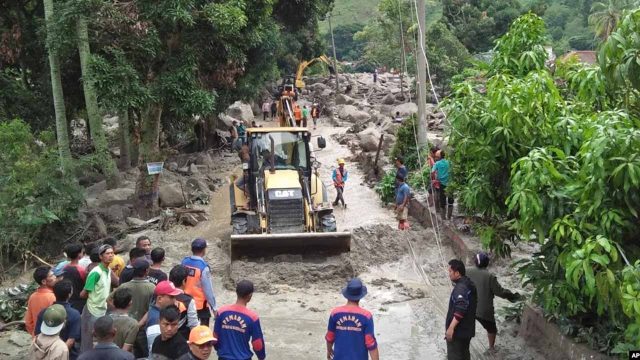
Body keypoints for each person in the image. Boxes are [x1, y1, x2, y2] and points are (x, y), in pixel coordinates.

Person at [466, 252, 521, 352]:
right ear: (487, 264)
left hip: (467, 307)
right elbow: (500, 292)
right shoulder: (490, 276)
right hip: (483, 310)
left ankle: (463, 347)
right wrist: (513, 297)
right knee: (491, 329)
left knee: (465, 327)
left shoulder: (467, 271)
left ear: (475, 262)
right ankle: (491, 348)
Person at [325, 278, 379, 360]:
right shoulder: (366, 316)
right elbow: (370, 342)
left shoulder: (335, 313)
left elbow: (330, 336)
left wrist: (329, 350)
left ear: (347, 294)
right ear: (361, 296)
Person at [213, 280, 265, 360]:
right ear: (250, 296)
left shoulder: (222, 312)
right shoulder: (252, 317)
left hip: (224, 357)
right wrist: (261, 357)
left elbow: (215, 336)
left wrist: (220, 349)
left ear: (236, 292)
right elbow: (257, 343)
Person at [80, 244, 114, 353]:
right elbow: (84, 293)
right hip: (92, 310)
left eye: (112, 253)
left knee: (99, 338)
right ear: (100, 256)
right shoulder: (96, 272)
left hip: (102, 309)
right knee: (88, 339)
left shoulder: (108, 270)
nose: (110, 256)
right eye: (107, 253)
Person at [35, 280, 81, 359]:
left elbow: (37, 334)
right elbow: (71, 340)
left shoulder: (44, 312)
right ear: (69, 294)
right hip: (67, 354)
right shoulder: (74, 314)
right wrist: (57, 354)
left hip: (43, 353)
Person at [445, 259, 477, 360]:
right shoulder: (468, 283)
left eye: (450, 271)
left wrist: (451, 328)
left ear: (457, 273)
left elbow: (461, 308)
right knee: (464, 355)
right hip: (467, 331)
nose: (449, 274)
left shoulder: (460, 288)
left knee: (456, 356)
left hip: (458, 333)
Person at [181, 238, 218, 326]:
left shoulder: (184, 262)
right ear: (204, 250)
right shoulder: (203, 268)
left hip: (184, 303)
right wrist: (214, 308)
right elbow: (208, 290)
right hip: (200, 307)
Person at [146, 280, 184, 354]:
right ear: (160, 299)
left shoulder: (155, 309)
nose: (175, 300)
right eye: (171, 297)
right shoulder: (156, 321)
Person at [170, 265, 200, 340]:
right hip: (181, 340)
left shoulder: (164, 295)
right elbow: (194, 326)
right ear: (184, 281)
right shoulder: (188, 301)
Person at [25, 266, 57, 336]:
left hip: (37, 336)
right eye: (51, 276)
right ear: (43, 281)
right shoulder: (53, 297)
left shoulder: (32, 297)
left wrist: (34, 334)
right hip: (50, 337)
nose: (55, 277)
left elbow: (28, 322)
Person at [110, 288, 139, 352]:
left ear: (113, 302)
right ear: (130, 303)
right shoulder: (133, 324)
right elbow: (125, 349)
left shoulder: (105, 320)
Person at [61, 243, 87, 312]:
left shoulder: (64, 268)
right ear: (79, 255)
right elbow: (86, 284)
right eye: (81, 252)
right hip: (81, 301)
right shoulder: (81, 270)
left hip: (69, 299)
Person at [432, 150, 454, 219]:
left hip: (442, 184)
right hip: (450, 184)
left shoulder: (437, 163)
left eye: (437, 156)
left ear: (439, 156)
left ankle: (443, 218)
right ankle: (449, 217)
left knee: (442, 201)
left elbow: (432, 172)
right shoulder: (449, 162)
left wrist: (434, 179)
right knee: (450, 201)